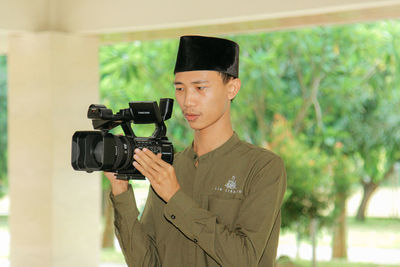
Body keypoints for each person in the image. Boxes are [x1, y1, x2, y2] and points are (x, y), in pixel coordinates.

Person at [104, 35, 287, 267]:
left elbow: (244, 259)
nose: (188, 100)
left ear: (232, 88)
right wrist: (121, 193)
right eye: (180, 89)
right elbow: (146, 263)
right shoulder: (170, 168)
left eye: (200, 88)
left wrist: (175, 197)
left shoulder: (263, 167)